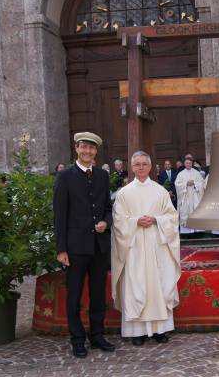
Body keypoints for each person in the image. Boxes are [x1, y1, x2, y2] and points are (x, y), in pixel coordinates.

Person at [53, 132, 115, 358]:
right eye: (83, 148)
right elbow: (59, 215)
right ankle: (77, 338)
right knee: (74, 296)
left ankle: (97, 335)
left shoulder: (102, 176)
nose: (87, 152)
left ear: (96, 152)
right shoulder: (64, 176)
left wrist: (105, 223)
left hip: (98, 247)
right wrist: (61, 249)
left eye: (91, 149)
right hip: (75, 248)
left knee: (98, 295)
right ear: (76, 149)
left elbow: (108, 208)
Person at [111, 151, 181, 346]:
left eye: (144, 164)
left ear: (150, 167)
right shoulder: (124, 194)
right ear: (132, 167)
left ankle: (161, 329)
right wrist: (135, 222)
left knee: (158, 285)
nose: (141, 167)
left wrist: (156, 220)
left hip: (157, 245)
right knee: (136, 286)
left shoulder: (160, 191)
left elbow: (172, 217)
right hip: (134, 248)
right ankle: (137, 332)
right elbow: (118, 221)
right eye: (137, 164)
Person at [175, 158, 204, 236]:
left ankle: (198, 232)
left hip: (195, 197)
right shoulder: (180, 174)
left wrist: (194, 183)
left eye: (190, 163)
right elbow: (177, 184)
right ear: (184, 164)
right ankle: (187, 233)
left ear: (192, 164)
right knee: (185, 212)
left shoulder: (197, 173)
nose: (188, 164)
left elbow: (202, 183)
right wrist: (186, 183)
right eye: (187, 163)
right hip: (185, 197)